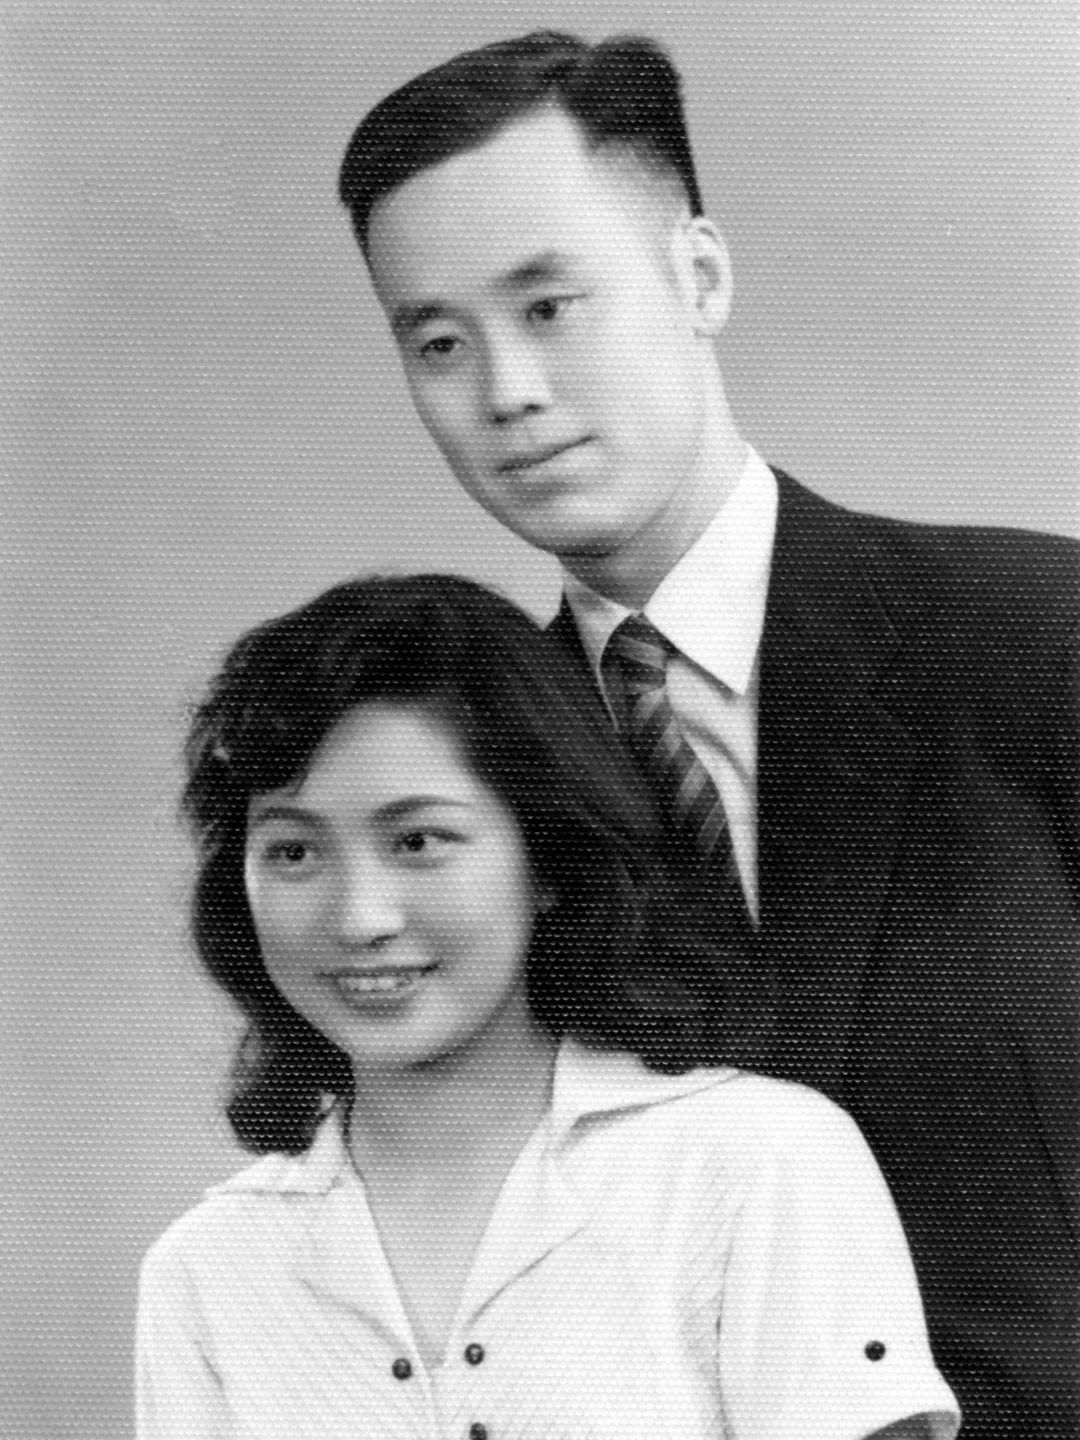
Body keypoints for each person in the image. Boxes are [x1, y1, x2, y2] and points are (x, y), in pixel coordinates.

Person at [336, 32, 1080, 1438]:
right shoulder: (466, 793)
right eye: (438, 343)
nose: (506, 391)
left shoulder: (1040, 638)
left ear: (699, 276)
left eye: (551, 305)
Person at [136, 574, 958, 1440]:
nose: (358, 919)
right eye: (294, 852)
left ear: (551, 858)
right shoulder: (206, 1266)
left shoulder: (756, 1163)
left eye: (418, 841)